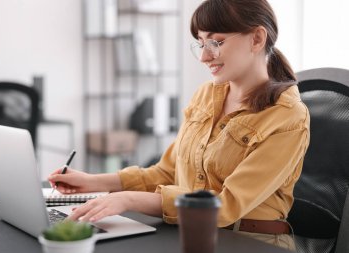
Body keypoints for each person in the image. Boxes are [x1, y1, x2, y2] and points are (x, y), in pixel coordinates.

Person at [48, 0, 310, 251]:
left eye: (216, 42)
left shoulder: (288, 117)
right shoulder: (207, 95)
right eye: (200, 44)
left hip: (249, 241)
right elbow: (166, 172)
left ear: (257, 38)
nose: (205, 57)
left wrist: (127, 199)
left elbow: (226, 206)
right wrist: (93, 182)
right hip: (188, 231)